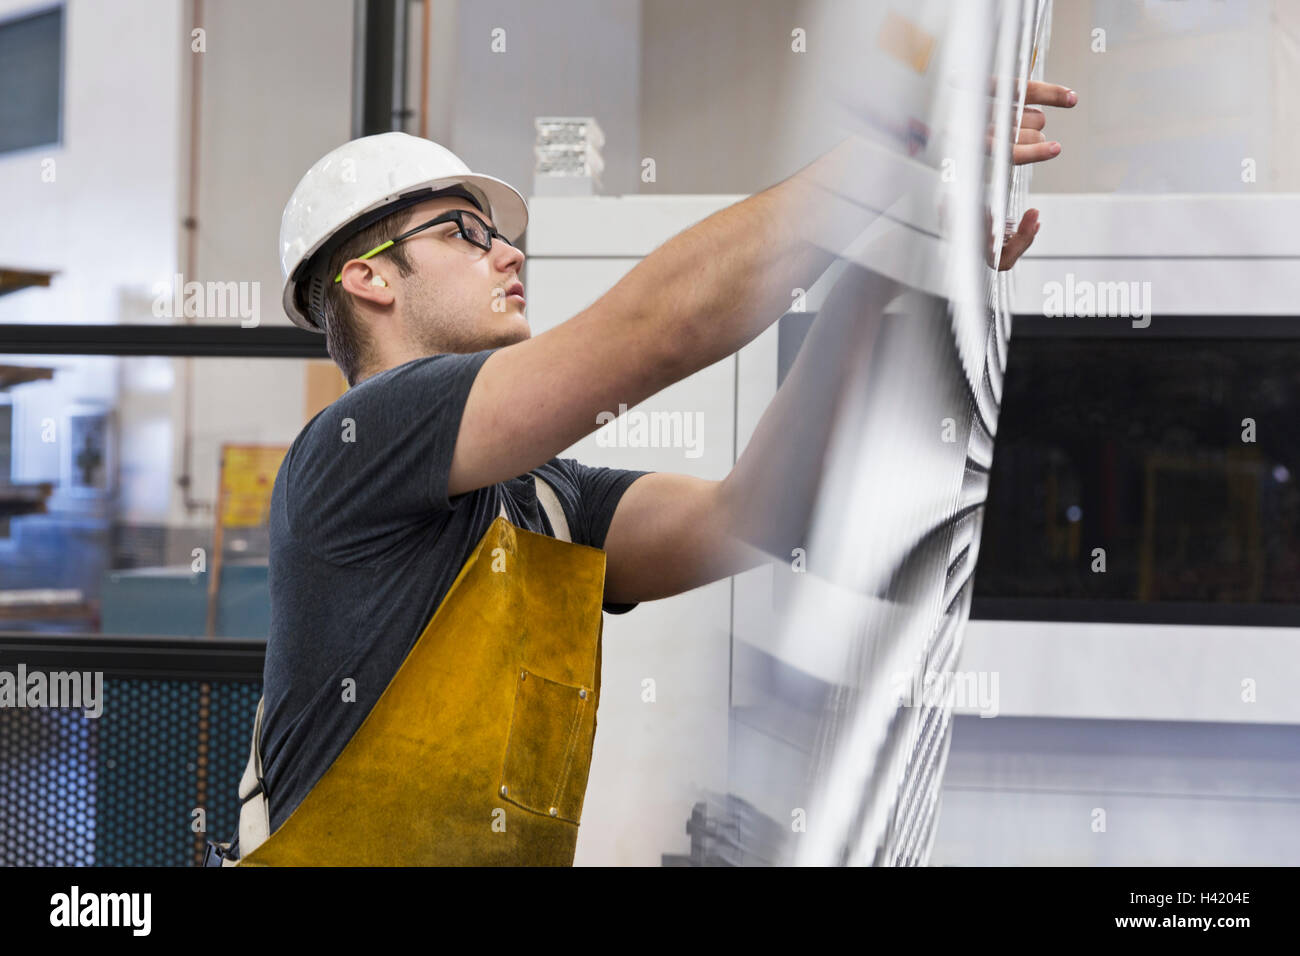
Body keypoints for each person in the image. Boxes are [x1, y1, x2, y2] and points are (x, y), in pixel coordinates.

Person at [215, 81, 1074, 866]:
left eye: (504, 236)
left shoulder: (547, 500)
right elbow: (652, 332)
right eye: (464, 233)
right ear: (367, 279)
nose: (509, 255)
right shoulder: (357, 444)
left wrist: (886, 271)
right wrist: (889, 153)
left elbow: (756, 516)